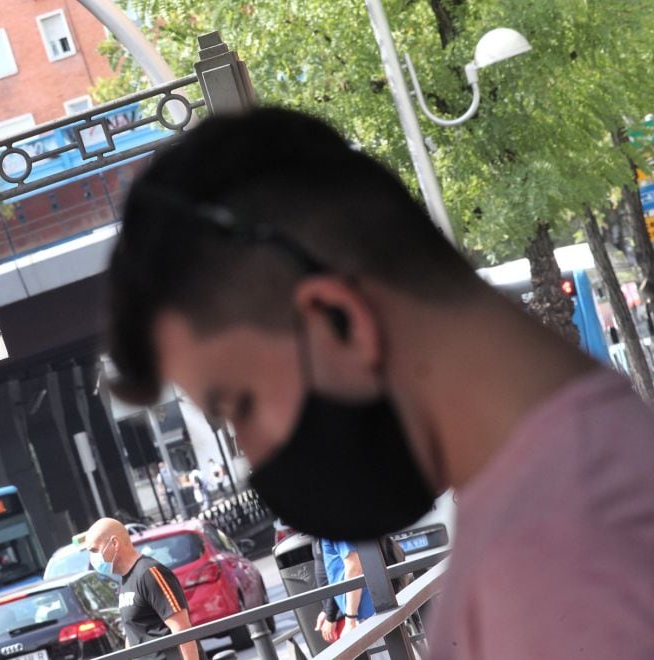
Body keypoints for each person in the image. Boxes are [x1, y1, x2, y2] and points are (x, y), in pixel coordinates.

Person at [104, 107, 654, 657]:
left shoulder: (566, 577)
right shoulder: (581, 504)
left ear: (336, 323)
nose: (252, 454)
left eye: (242, 406)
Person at [84, 518, 200, 660]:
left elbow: (182, 629)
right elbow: (133, 633)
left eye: (95, 550)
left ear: (114, 543)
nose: (92, 558)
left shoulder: (149, 573)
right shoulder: (125, 580)